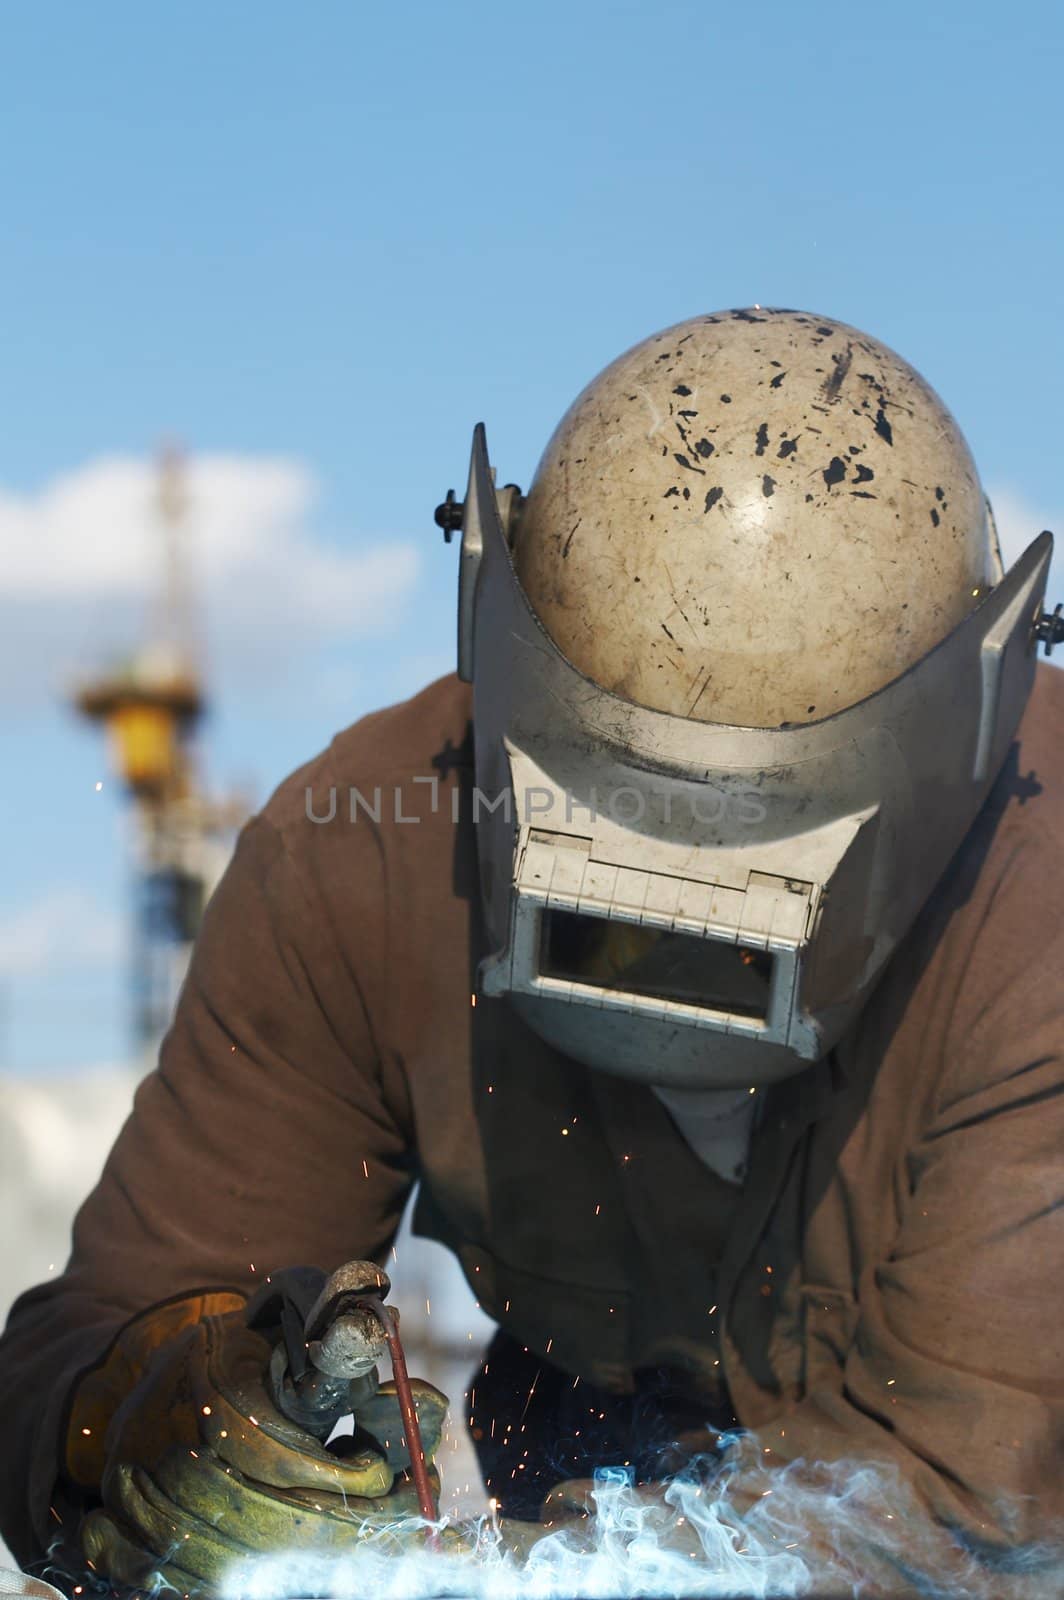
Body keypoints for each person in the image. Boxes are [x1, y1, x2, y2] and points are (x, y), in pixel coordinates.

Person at [1, 309, 1061, 1597]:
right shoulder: (367, 857)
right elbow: (85, 1354)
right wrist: (161, 1421)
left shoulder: (1038, 905)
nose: (659, 931)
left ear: (972, 732)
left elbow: (959, 1511)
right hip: (566, 1462)